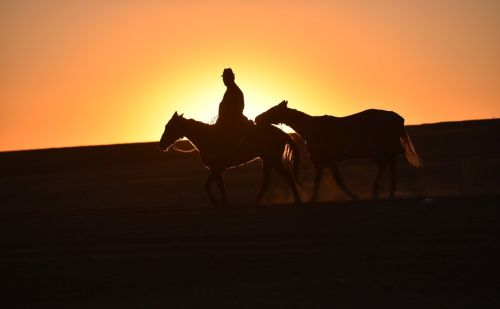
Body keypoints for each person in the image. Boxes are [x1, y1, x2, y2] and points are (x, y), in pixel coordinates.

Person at [215, 68, 252, 141]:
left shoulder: (235, 91)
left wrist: (225, 118)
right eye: (224, 78)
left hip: (233, 122)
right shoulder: (229, 90)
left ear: (232, 78)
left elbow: (238, 109)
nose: (224, 80)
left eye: (226, 78)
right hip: (227, 121)